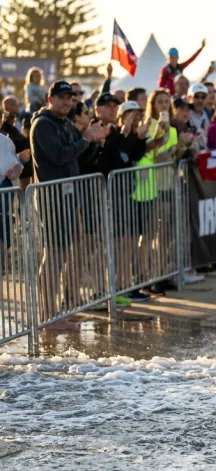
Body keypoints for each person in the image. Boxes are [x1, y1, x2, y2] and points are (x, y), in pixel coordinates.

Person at [30, 80, 106, 331]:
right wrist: (86, 138)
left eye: (70, 98)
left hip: (67, 197)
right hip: (51, 197)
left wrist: (95, 141)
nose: (67, 102)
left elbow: (82, 156)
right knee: (52, 256)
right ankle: (47, 315)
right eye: (62, 97)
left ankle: (54, 314)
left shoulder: (64, 124)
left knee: (61, 255)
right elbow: (59, 155)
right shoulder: (42, 125)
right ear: (50, 99)